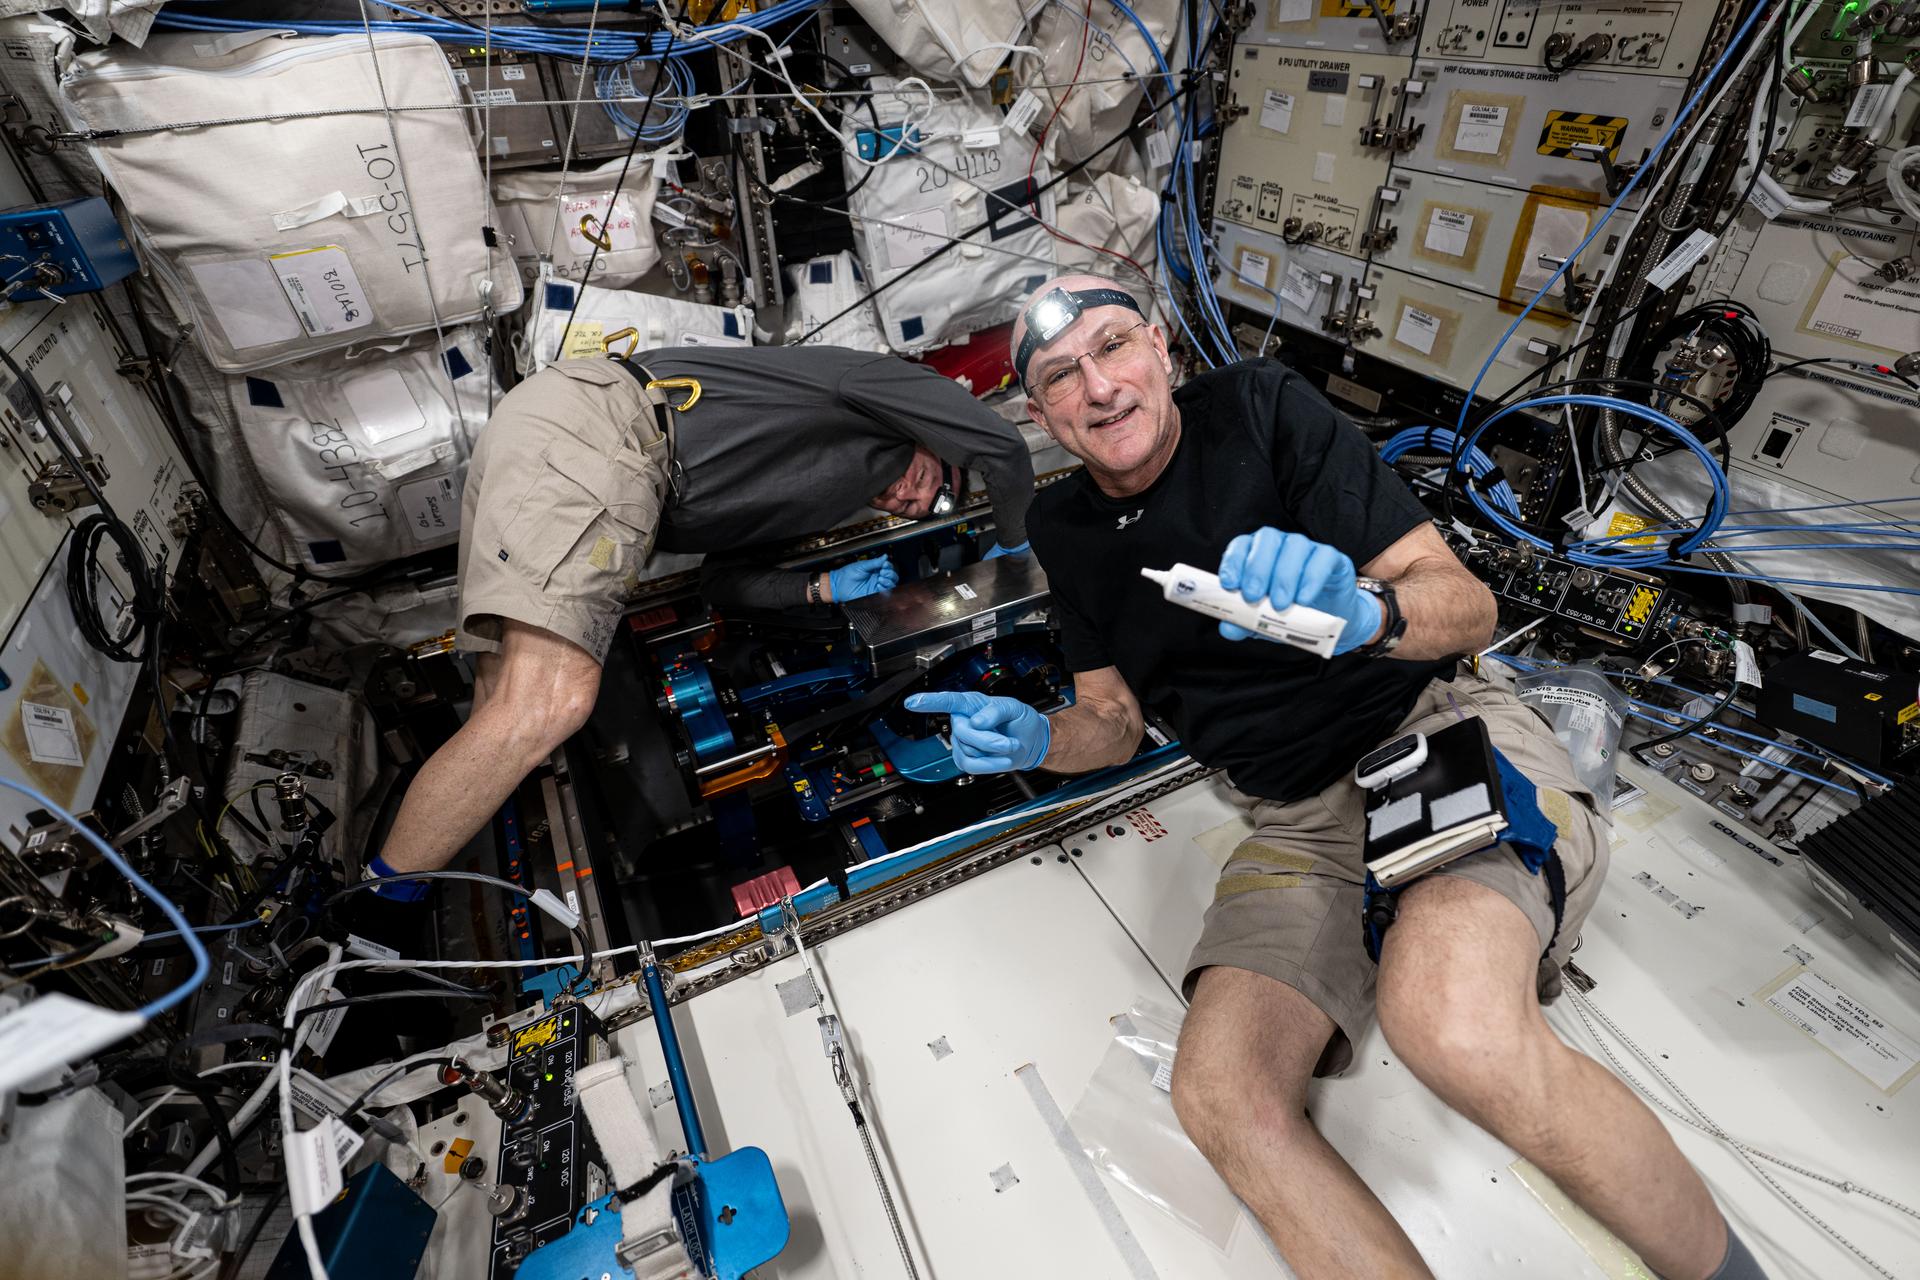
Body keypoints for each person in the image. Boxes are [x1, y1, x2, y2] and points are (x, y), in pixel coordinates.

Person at [906, 275, 1763, 1280]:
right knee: (1222, 1097)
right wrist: (1040, 739)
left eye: (1113, 346)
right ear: (1039, 412)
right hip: (1291, 817)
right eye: (1061, 375)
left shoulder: (1260, 409)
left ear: (1162, 347)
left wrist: (1368, 613)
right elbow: (1113, 719)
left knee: (1452, 1025)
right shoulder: (1063, 527)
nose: (1098, 386)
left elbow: (1467, 605)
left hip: (1430, 727)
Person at [368, 343, 1036, 887]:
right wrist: (1016, 547)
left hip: (558, 439)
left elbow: (723, 582)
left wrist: (820, 587)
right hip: (608, 435)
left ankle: (391, 886)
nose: (919, 501)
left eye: (926, 511)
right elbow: (1001, 446)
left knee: (499, 708)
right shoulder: (872, 384)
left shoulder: (822, 497)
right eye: (939, 484)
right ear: (934, 441)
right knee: (549, 705)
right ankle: (374, 914)